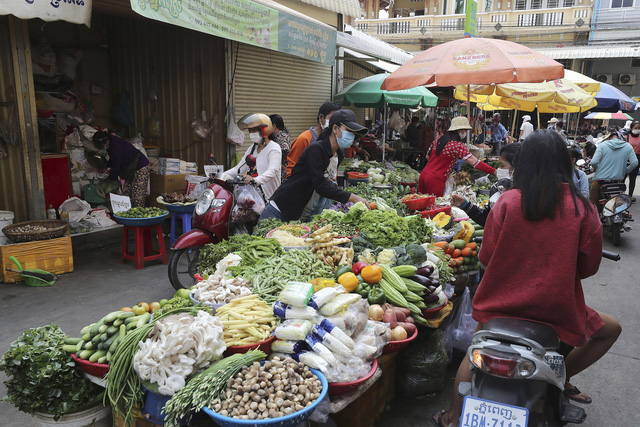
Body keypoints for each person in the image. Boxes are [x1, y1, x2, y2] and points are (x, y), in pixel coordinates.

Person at [431, 130, 622, 427]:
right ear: (565, 162)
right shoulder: (582, 209)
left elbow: (485, 258)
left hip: (500, 306)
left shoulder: (507, 202)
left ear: (524, 162)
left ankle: (453, 417)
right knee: (611, 330)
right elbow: (588, 268)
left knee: (474, 352)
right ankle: (559, 377)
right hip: (556, 310)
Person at [260, 110, 369, 221]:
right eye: (349, 131)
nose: (352, 136)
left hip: (302, 214)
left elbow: (327, 182)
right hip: (282, 209)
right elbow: (320, 185)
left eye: (353, 133)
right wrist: (352, 197)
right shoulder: (316, 149)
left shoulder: (338, 154)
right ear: (335, 128)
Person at [418, 116, 496, 197]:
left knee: (420, 204)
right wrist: (493, 171)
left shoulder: (439, 140)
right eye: (465, 130)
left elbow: (427, 156)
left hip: (424, 175)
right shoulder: (457, 145)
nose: (466, 133)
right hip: (436, 180)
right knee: (434, 206)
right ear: (460, 130)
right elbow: (475, 163)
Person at [450, 143, 520, 226]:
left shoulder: (523, 197)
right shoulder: (497, 189)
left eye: (502, 165)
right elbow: (487, 219)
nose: (499, 169)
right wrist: (465, 205)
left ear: (517, 167)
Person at [224, 113, 281, 200]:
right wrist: (221, 176)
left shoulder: (274, 148)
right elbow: (238, 169)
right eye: (250, 131)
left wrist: (255, 180)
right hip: (253, 198)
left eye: (254, 130)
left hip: (270, 199)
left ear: (265, 130)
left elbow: (272, 171)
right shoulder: (252, 148)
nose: (251, 133)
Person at [92, 130, 150, 207]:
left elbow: (117, 165)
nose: (102, 148)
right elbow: (113, 159)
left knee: (137, 196)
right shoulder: (111, 144)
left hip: (140, 167)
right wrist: (106, 166)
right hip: (130, 169)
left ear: (107, 141)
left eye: (102, 145)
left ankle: (139, 216)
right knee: (127, 194)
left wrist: (110, 178)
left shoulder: (116, 146)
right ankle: (128, 214)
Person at [286, 101, 341, 178]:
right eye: (332, 119)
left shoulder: (333, 142)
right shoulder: (304, 139)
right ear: (321, 117)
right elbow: (291, 172)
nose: (335, 124)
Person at [589, 127, 638, 205]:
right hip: (617, 182)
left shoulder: (602, 145)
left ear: (608, 137)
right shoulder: (628, 146)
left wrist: (597, 168)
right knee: (617, 206)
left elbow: (594, 162)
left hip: (600, 181)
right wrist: (625, 171)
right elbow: (635, 163)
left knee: (592, 205)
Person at [269, 114, 290, 183]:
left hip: (283, 173)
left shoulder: (280, 136)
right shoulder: (283, 134)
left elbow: (285, 148)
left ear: (274, 126)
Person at [625, 120, 640, 201]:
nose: (637, 129)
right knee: (622, 177)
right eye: (635, 128)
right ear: (631, 128)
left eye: (639, 128)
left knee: (633, 178)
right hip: (626, 159)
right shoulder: (626, 137)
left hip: (637, 159)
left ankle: (630, 196)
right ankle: (620, 195)